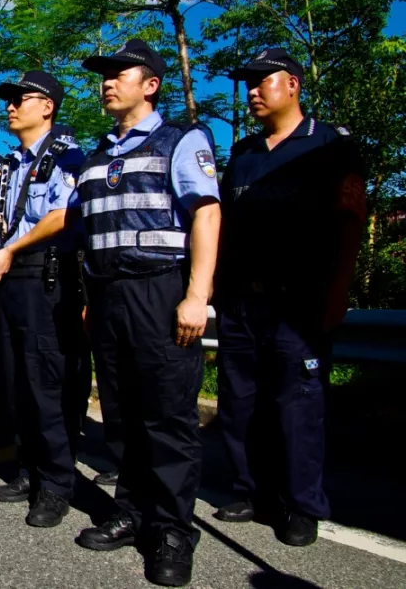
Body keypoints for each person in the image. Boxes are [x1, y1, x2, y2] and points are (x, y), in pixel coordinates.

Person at [74, 40, 220, 587]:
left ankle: (173, 530)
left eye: (120, 73)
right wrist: (90, 299)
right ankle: (131, 512)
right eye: (104, 74)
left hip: (159, 290)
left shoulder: (181, 140)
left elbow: (206, 214)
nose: (108, 82)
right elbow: (91, 233)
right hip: (107, 297)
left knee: (167, 415)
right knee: (122, 413)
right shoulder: (97, 156)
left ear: (151, 84)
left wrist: (197, 295)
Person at [212, 48, 365, 547]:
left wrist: (336, 294)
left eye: (263, 80)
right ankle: (251, 491)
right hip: (241, 303)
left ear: (293, 84)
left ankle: (301, 505)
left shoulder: (330, 145)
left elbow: (350, 221)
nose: (253, 91)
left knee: (298, 407)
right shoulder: (243, 153)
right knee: (240, 403)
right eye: (248, 83)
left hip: (298, 303)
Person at [0, 71, 87, 529]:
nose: (11, 107)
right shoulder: (12, 165)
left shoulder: (66, 156)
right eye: (9, 100)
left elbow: (62, 216)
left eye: (21, 99)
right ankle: (29, 470)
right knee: (17, 384)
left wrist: (10, 247)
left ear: (47, 107)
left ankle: (57, 484)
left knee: (46, 386)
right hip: (11, 279)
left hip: (46, 278)